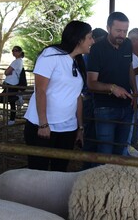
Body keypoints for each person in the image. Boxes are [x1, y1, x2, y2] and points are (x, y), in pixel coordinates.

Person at [24, 20, 94, 171]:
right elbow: (40, 90)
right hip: (43, 127)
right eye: (90, 37)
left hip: (68, 128)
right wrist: (43, 124)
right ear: (79, 39)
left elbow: (77, 96)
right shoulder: (50, 55)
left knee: (60, 171)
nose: (92, 41)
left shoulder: (78, 61)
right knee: (38, 172)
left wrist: (79, 128)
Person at [87, 11, 137, 158]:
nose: (122, 35)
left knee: (121, 150)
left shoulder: (127, 44)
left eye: (125, 31)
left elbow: (130, 68)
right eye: (118, 30)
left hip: (126, 107)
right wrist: (112, 87)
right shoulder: (97, 49)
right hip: (105, 107)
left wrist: (136, 92)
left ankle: (116, 181)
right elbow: (91, 83)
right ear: (108, 28)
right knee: (105, 152)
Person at [81, 28, 108, 170]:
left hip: (97, 100)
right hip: (90, 100)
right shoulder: (89, 56)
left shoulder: (95, 55)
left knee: (98, 135)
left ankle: (92, 166)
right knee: (91, 135)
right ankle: (87, 168)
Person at [0, 46, 24, 126]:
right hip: (13, 83)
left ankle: (17, 97)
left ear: (20, 52)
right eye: (13, 50)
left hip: (11, 84)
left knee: (2, 99)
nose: (14, 52)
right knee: (11, 102)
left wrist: (8, 72)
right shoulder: (19, 61)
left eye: (16, 50)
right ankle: (12, 119)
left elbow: (7, 72)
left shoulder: (16, 62)